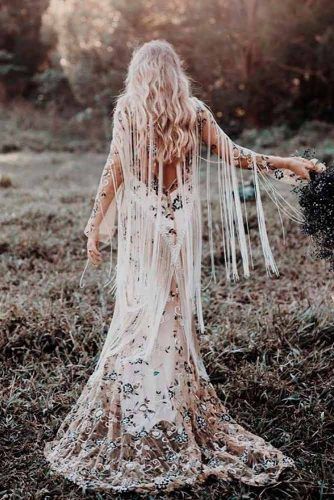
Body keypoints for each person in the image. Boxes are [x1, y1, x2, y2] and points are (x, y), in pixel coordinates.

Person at [44, 40, 324, 494]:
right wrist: (286, 163)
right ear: (175, 73)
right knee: (170, 313)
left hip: (145, 228)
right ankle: (165, 401)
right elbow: (237, 156)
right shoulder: (192, 111)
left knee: (138, 313)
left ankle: (143, 406)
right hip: (179, 225)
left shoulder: (128, 112)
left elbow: (115, 170)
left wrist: (94, 223)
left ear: (139, 73)